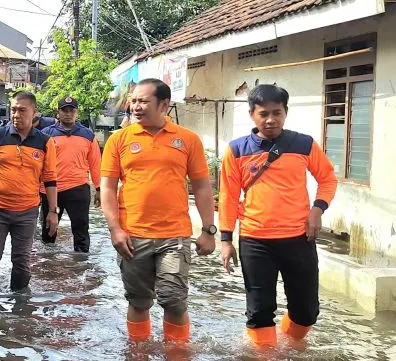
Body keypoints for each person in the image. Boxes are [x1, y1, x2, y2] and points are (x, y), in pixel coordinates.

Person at [219, 84, 337, 346]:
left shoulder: (303, 144)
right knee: (260, 311)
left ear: (285, 113)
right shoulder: (237, 150)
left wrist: (317, 209)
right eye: (263, 114)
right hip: (255, 240)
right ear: (251, 114)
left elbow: (327, 179)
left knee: (306, 312)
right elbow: (228, 196)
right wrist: (226, 240)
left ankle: (289, 346)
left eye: (277, 112)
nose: (271, 119)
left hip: (299, 238)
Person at [101, 79, 216, 343]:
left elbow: (201, 187)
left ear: (164, 105)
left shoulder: (187, 140)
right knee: (139, 301)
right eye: (134, 101)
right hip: (132, 235)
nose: (135, 107)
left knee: (174, 300)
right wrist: (115, 229)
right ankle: (138, 355)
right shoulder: (119, 140)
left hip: (174, 235)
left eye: (143, 101)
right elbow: (106, 187)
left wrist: (209, 230)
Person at [0, 92, 58, 290]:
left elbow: (50, 178)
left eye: (22, 110)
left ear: (35, 113)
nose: (16, 114)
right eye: (13, 109)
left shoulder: (45, 142)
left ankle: (20, 312)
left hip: (27, 211)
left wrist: (53, 212)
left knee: (21, 262)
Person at [40, 96, 101, 253]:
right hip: (51, 190)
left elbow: (95, 163)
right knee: (48, 232)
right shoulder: (46, 134)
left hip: (78, 188)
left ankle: (81, 267)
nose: (68, 113)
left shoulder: (88, 135)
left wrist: (99, 189)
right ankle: (47, 267)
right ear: (58, 112)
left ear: (76, 112)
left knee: (81, 231)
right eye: (64, 110)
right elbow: (37, 163)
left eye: (71, 110)